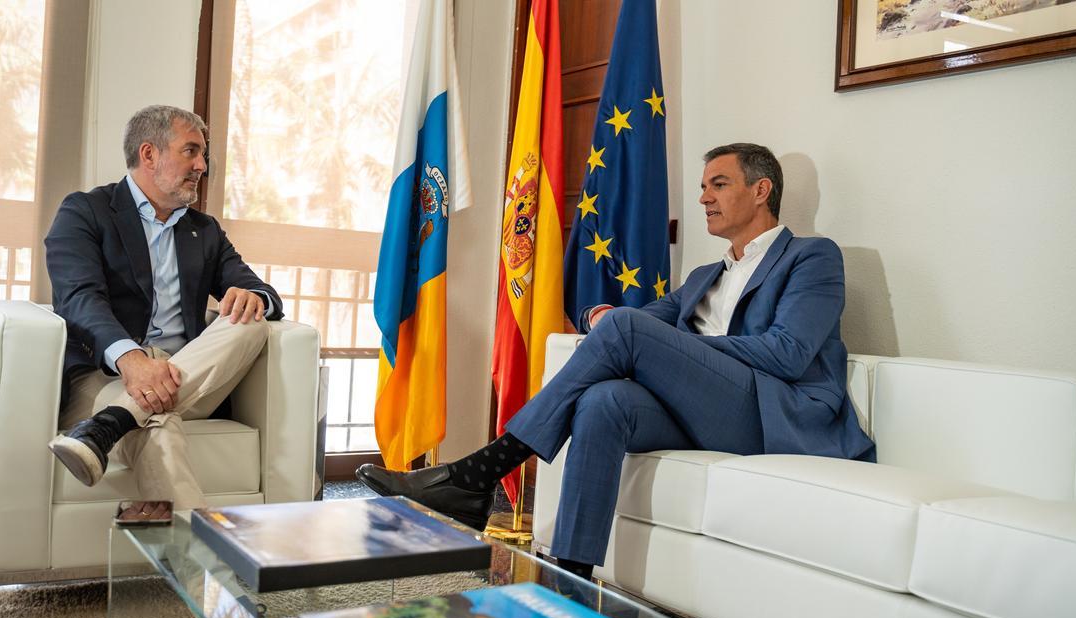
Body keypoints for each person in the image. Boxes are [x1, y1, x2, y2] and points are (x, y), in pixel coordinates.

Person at [357, 143, 874, 579]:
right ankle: (572, 580)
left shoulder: (812, 256)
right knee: (604, 401)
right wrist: (599, 313)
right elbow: (638, 322)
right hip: (703, 412)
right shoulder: (703, 277)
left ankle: (480, 472)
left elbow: (787, 353)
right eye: (703, 186)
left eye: (718, 184)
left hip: (769, 414)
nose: (703, 198)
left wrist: (666, 343)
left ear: (761, 191)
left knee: (629, 330)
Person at [45, 105, 283, 514]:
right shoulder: (85, 211)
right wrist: (132, 359)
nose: (202, 166)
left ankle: (111, 424)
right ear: (149, 153)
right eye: (191, 151)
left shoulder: (204, 231)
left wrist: (256, 297)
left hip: (187, 369)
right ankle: (201, 569)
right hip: (103, 376)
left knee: (251, 322)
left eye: (203, 155)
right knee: (157, 426)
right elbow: (79, 297)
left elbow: (258, 288)